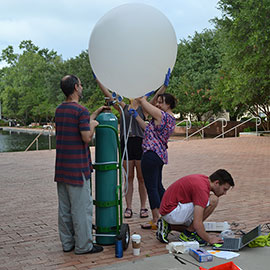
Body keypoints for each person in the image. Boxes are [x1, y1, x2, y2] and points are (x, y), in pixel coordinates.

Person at [94, 70, 170, 219]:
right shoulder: (123, 107)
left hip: (141, 143)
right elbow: (109, 94)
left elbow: (156, 97)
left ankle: (143, 207)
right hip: (126, 142)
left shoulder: (144, 107)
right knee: (128, 177)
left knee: (142, 178)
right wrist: (99, 80)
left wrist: (164, 85)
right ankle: (128, 207)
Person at [55, 74, 106, 254]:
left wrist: (94, 114)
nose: (82, 87)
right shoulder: (80, 111)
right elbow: (86, 136)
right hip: (78, 169)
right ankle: (84, 246)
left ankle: (68, 244)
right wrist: (93, 125)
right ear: (76, 87)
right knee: (81, 209)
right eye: (81, 84)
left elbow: (78, 123)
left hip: (62, 169)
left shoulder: (60, 110)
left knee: (65, 209)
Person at [130, 91, 176, 229]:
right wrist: (137, 116)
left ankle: (156, 219)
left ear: (168, 105)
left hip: (150, 154)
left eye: (161, 102)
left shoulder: (162, 115)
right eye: (158, 101)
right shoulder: (171, 119)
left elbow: (143, 103)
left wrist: (142, 96)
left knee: (151, 187)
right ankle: (168, 213)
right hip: (159, 155)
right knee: (158, 186)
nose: (157, 104)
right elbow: (148, 129)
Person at [156, 169, 235, 246]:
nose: (224, 193)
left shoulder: (203, 180)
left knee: (195, 227)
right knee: (213, 200)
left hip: (169, 210)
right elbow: (197, 223)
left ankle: (169, 226)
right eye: (224, 189)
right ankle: (187, 234)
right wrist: (209, 239)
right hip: (171, 212)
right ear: (217, 183)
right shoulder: (202, 189)